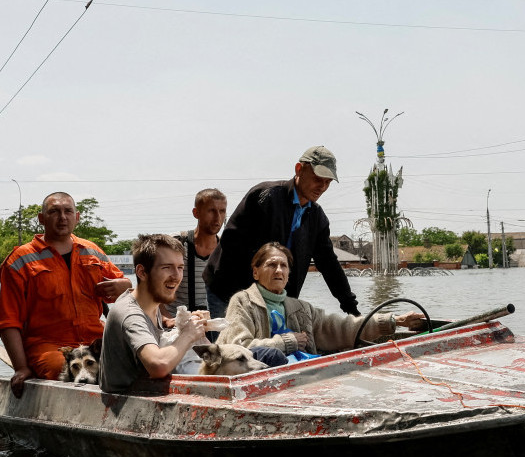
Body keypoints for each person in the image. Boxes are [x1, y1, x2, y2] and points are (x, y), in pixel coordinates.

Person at [0, 192, 132, 398]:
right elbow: (8, 322)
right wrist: (21, 368)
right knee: (63, 371)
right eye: (54, 212)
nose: (62, 217)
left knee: (135, 360)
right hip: (48, 346)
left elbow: (125, 293)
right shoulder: (20, 260)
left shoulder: (92, 251)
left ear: (77, 217)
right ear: (41, 219)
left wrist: (126, 284)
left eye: (68, 211)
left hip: (96, 339)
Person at [203, 145, 360, 319]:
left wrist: (350, 307)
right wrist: (256, 292)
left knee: (269, 344)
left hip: (274, 299)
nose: (322, 187)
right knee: (229, 344)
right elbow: (231, 241)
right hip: (228, 290)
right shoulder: (265, 196)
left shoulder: (317, 218)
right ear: (299, 169)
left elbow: (329, 264)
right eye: (317, 179)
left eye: (327, 182)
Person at [217, 243, 424, 361]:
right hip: (263, 382)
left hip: (304, 376)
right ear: (256, 271)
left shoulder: (301, 309)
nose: (279, 270)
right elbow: (238, 349)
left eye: (284, 265)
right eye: (271, 265)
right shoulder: (243, 302)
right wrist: (286, 343)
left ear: (289, 273)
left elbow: (344, 327)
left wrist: (394, 321)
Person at [101, 234, 207, 391]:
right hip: (127, 405)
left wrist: (197, 330)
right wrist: (189, 334)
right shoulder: (129, 313)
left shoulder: (151, 306)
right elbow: (158, 365)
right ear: (142, 272)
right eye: (166, 268)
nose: (177, 277)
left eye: (180, 268)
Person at [164, 188, 227, 317]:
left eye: (222, 211)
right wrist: (167, 320)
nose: (218, 217)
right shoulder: (175, 242)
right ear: (196, 212)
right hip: (176, 326)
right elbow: (151, 285)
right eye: (211, 211)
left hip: (211, 328)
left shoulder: (226, 250)